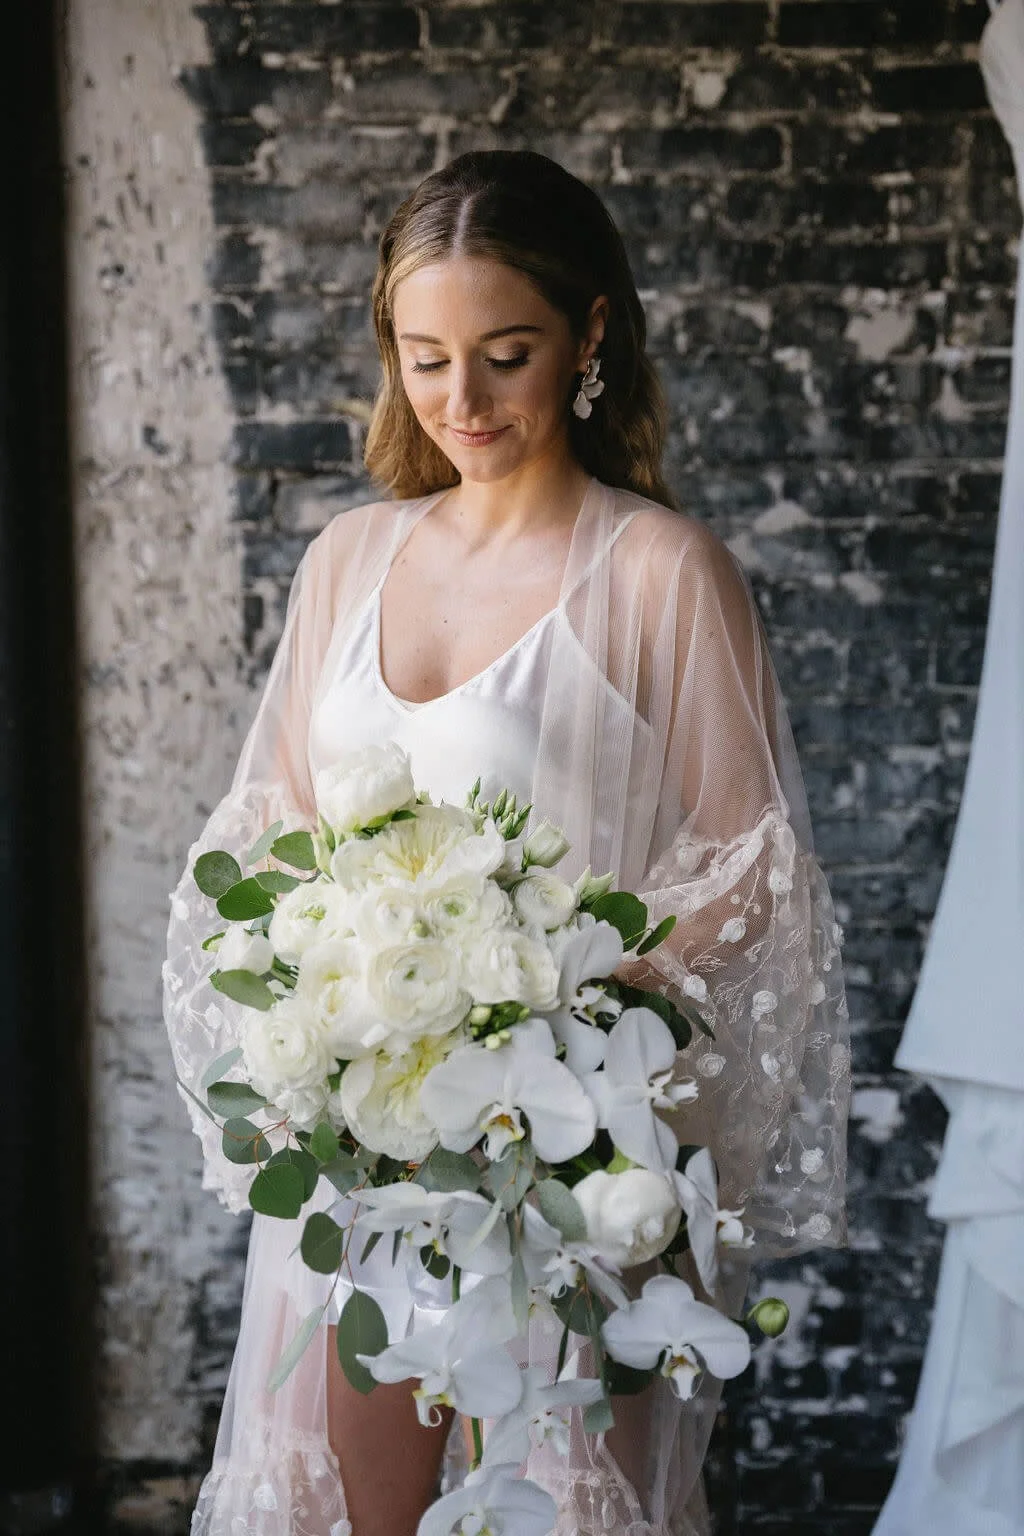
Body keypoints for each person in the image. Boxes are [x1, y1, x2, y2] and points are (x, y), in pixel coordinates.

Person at [163, 149, 851, 1536]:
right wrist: (325, 1015)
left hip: (557, 1163)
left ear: (592, 334)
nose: (461, 402)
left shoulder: (662, 572)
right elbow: (263, 838)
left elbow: (752, 876)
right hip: (361, 1178)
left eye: (505, 353)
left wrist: (546, 1013)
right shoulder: (347, 563)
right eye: (424, 359)